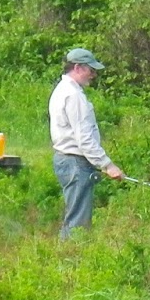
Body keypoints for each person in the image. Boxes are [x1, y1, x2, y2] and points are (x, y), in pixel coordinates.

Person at [49, 47, 125, 238]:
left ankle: (68, 257)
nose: (93, 75)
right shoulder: (74, 96)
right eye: (90, 70)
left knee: (75, 214)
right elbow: (84, 139)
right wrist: (108, 165)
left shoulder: (62, 90)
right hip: (75, 162)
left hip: (67, 160)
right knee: (78, 222)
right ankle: (71, 260)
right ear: (77, 67)